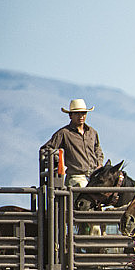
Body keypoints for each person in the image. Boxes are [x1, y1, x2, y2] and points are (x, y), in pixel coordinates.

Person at [40, 98, 105, 235]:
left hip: (93, 176)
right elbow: (46, 149)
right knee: (87, 200)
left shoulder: (92, 132)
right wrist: (57, 157)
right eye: (78, 113)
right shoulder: (64, 133)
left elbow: (98, 150)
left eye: (83, 113)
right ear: (70, 115)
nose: (81, 116)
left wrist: (99, 163)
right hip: (76, 176)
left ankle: (94, 239)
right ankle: (93, 240)